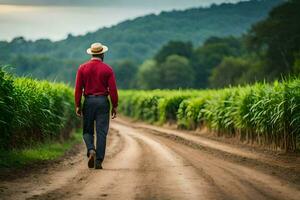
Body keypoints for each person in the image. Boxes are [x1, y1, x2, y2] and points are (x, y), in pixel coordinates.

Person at [74, 42, 118, 169]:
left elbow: (78, 89)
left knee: (87, 130)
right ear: (102, 54)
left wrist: (77, 104)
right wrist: (115, 105)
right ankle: (98, 161)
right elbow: (113, 90)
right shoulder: (108, 69)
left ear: (92, 53)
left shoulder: (82, 68)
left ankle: (91, 150)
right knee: (101, 132)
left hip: (88, 101)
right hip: (103, 102)